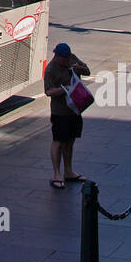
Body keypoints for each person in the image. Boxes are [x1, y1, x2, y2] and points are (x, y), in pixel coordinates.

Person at [43, 42, 91, 188]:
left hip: (74, 109)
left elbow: (87, 71)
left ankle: (69, 171)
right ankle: (57, 174)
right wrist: (64, 89)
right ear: (57, 56)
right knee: (58, 141)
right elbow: (48, 92)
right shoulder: (51, 69)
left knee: (70, 140)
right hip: (60, 111)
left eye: (67, 59)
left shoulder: (72, 59)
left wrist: (79, 68)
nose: (66, 62)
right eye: (63, 59)